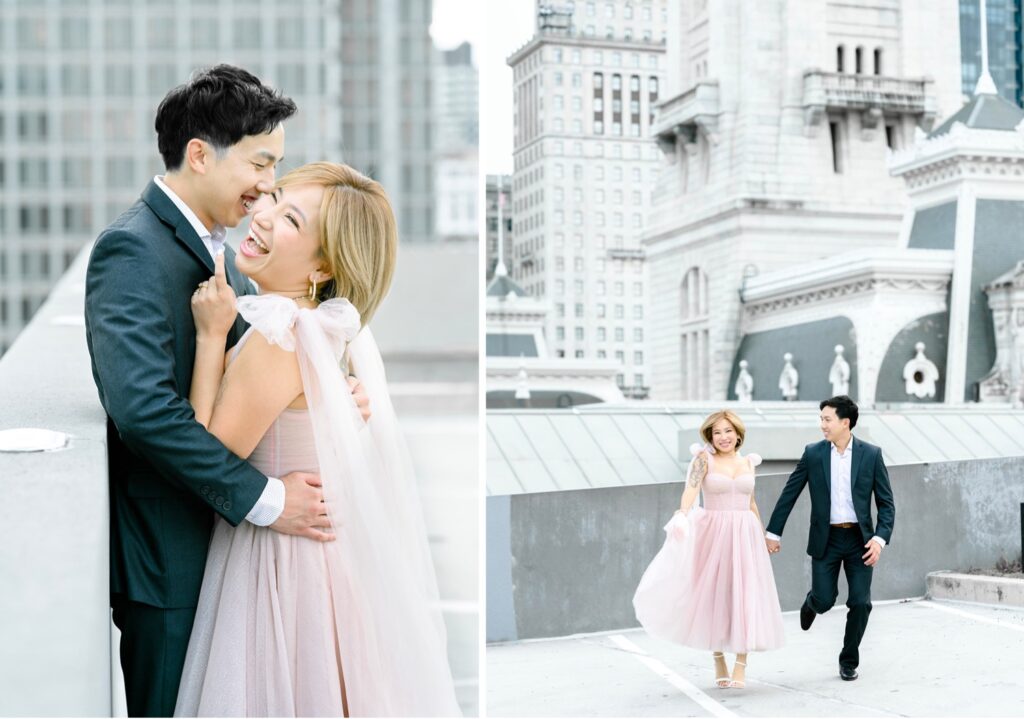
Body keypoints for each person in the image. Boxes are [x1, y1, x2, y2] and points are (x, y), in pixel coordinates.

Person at [84, 66, 368, 717]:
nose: (267, 185)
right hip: (173, 564)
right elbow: (143, 411)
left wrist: (330, 389)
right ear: (201, 154)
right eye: (261, 162)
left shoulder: (224, 252)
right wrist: (268, 500)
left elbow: (263, 363)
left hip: (226, 559)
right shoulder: (132, 251)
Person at [174, 162, 461, 716]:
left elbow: (210, 450)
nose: (261, 216)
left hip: (282, 563)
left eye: (289, 219)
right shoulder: (317, 329)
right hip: (321, 563)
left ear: (323, 264)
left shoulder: (283, 337)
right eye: (274, 199)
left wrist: (211, 336)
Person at [633, 410, 784, 689]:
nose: (723, 437)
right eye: (717, 432)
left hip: (745, 532)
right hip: (713, 531)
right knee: (713, 594)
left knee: (745, 594)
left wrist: (763, 535)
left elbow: (751, 502)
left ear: (738, 433)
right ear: (709, 436)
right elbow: (690, 491)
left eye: (728, 431)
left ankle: (741, 661)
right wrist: (681, 514)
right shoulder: (704, 460)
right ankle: (718, 657)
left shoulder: (748, 463)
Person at [765, 395, 896, 681]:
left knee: (861, 602)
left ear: (845, 423)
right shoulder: (813, 454)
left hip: (861, 541)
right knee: (826, 599)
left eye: (827, 419)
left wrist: (879, 539)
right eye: (821, 419)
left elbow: (886, 504)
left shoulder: (871, 455)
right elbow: (790, 493)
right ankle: (812, 603)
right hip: (827, 539)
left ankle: (848, 660)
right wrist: (773, 532)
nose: (822, 424)